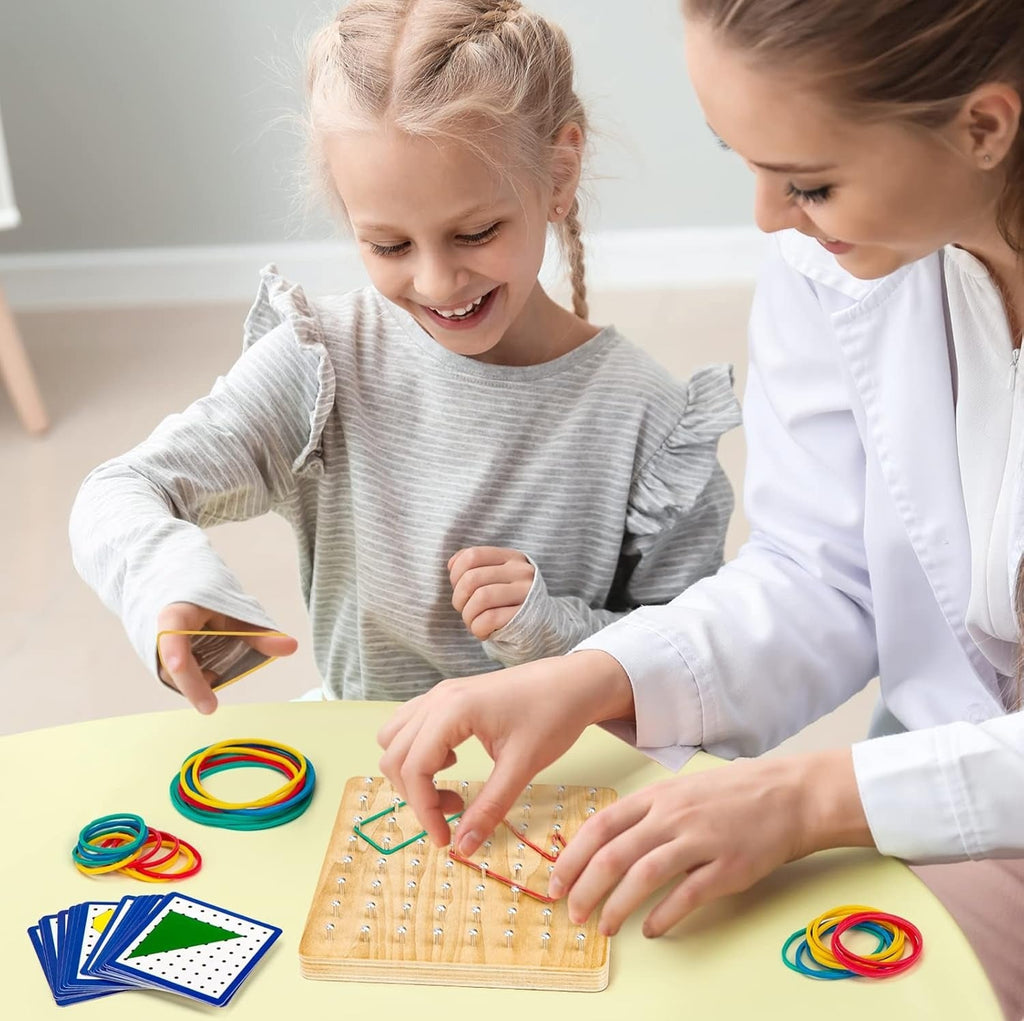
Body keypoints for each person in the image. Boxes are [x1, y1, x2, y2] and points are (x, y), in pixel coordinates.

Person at [376, 0, 1024, 1017]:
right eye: (743, 158)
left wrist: (815, 796)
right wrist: (593, 675)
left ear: (985, 127)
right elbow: (820, 571)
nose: (767, 217)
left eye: (807, 180)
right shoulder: (835, 262)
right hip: (959, 763)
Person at [68, 0, 739, 716]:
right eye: (389, 246)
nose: (437, 282)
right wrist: (170, 581)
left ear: (561, 170)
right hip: (366, 770)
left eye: (476, 232)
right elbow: (118, 490)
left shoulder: (653, 429)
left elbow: (698, 667)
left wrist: (549, 629)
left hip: (559, 791)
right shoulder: (323, 364)